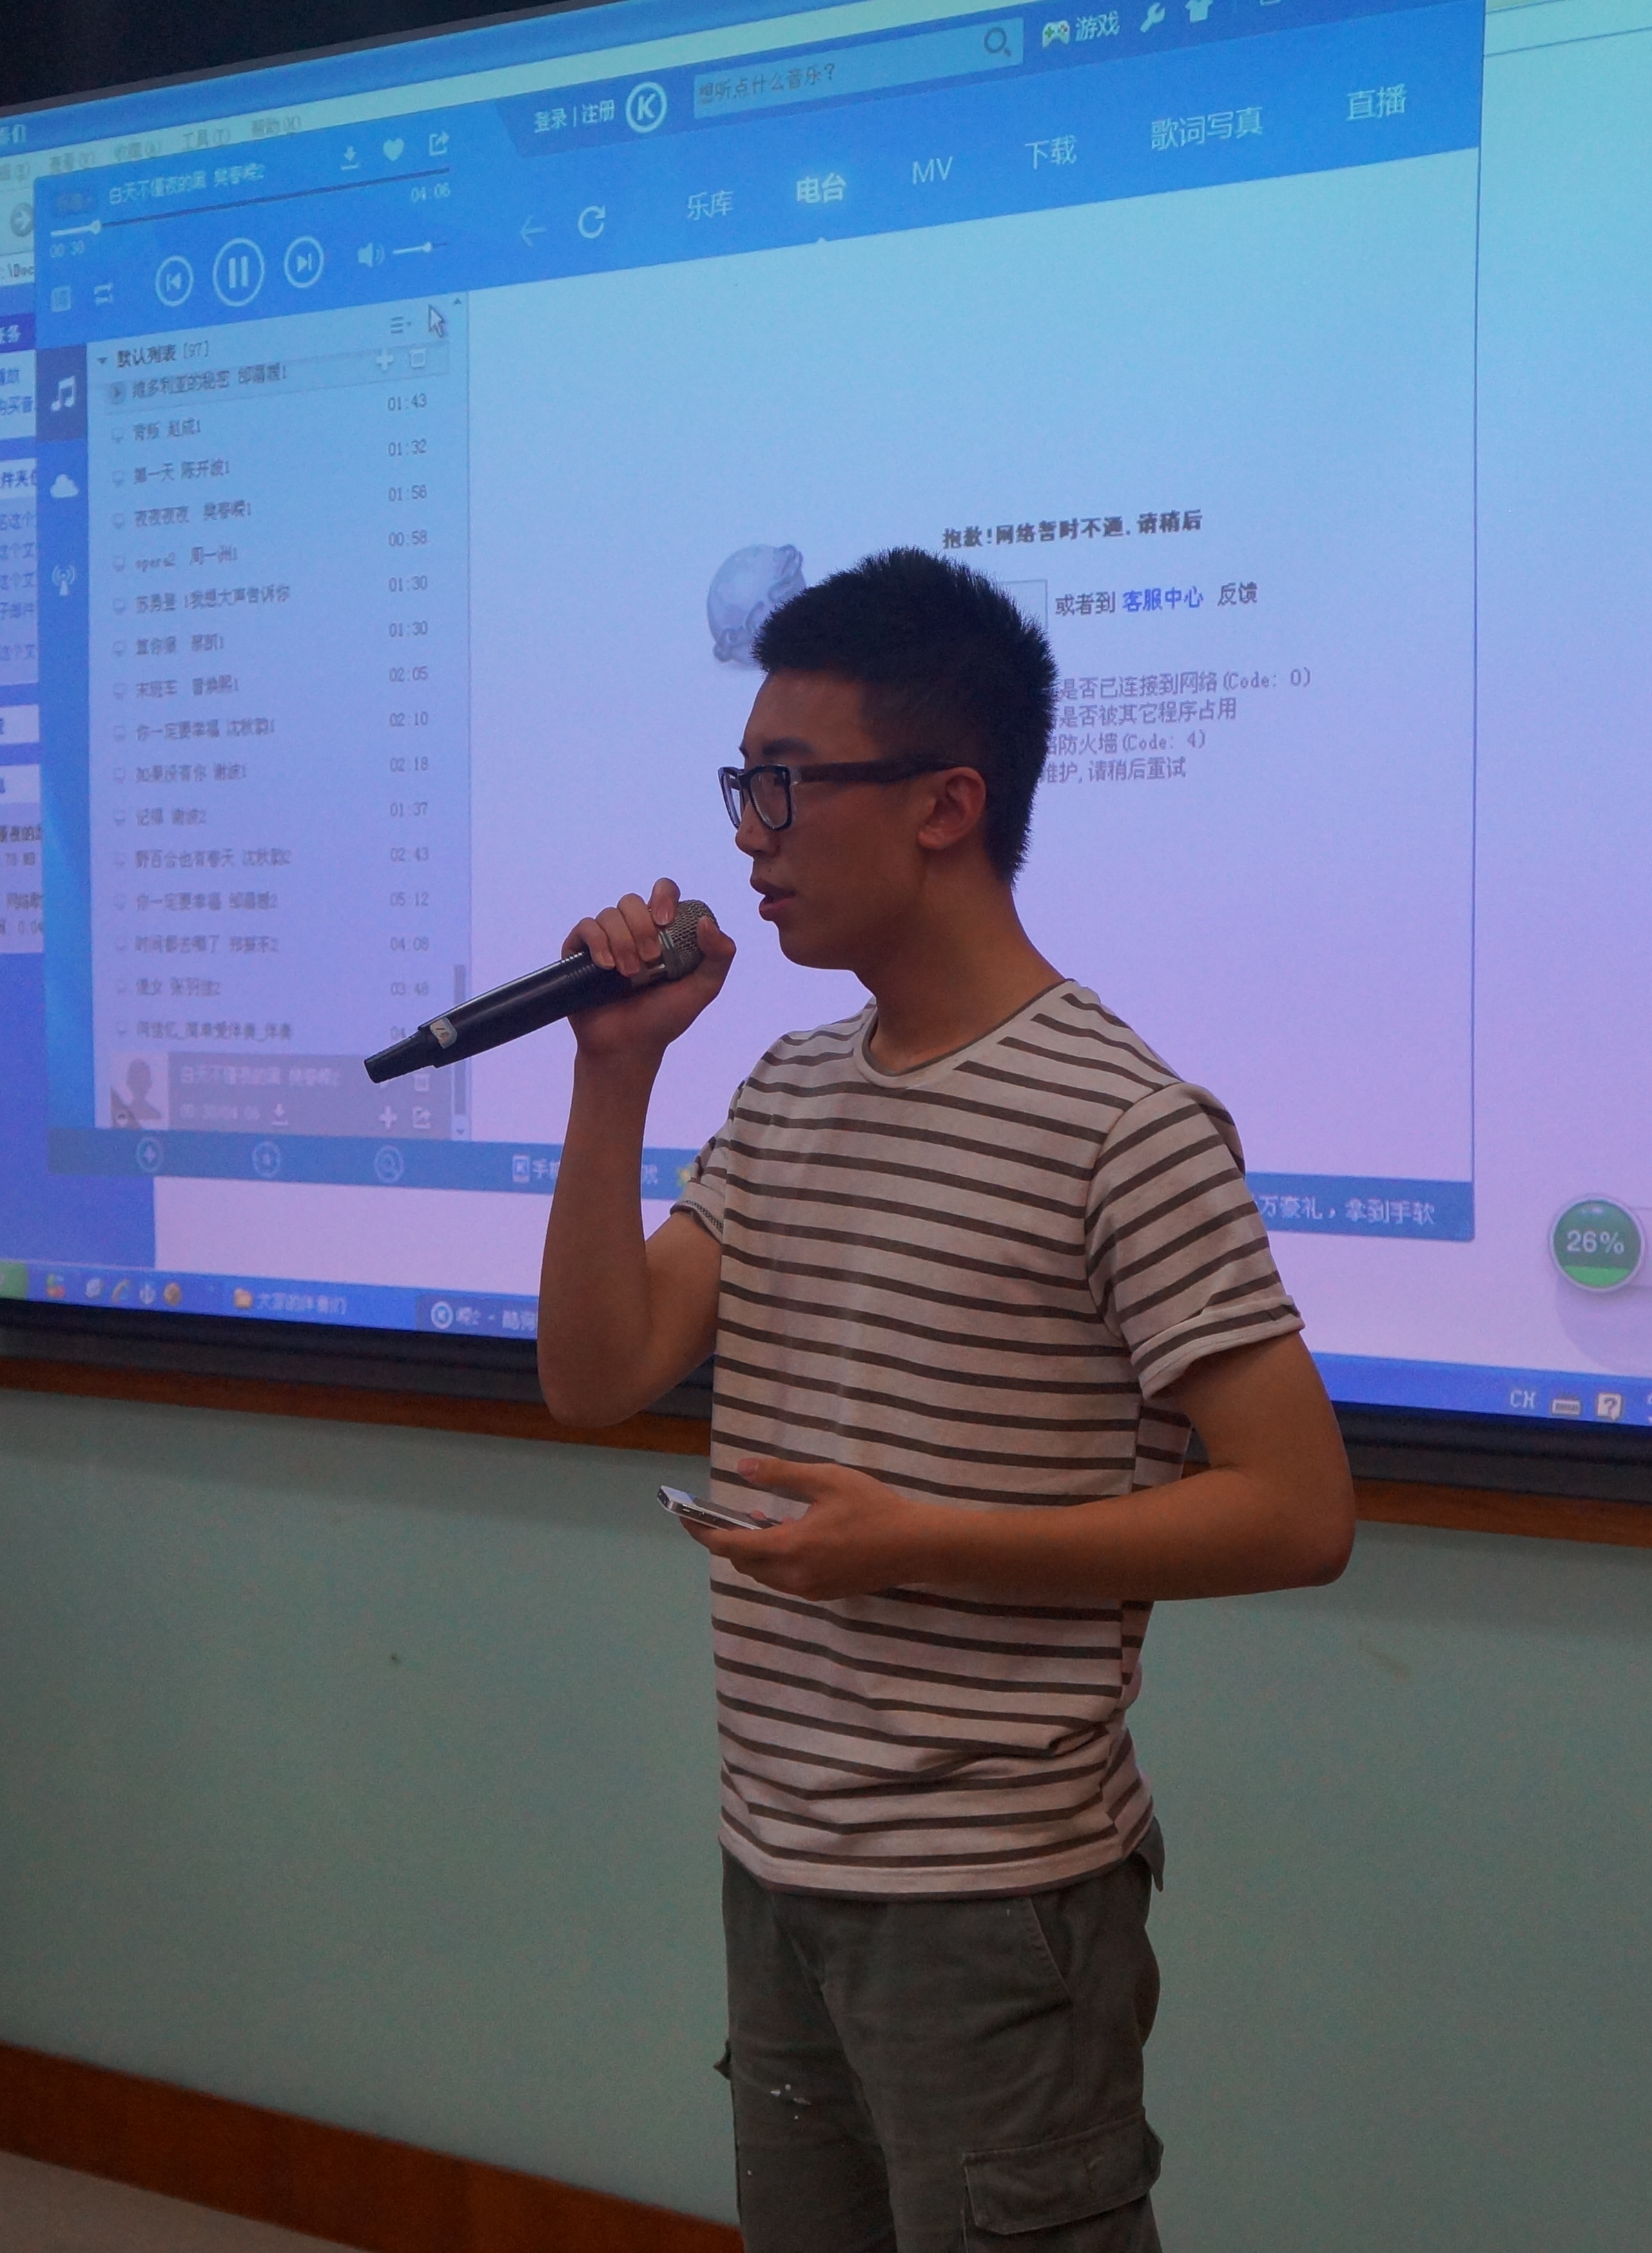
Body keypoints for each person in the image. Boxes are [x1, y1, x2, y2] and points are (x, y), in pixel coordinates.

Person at [536, 549, 1357, 2252]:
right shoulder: (787, 1089)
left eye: (785, 785)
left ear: (943, 804)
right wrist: (614, 1073)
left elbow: (1297, 1512)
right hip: (774, 1860)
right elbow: (594, 1377)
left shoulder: (1122, 1123)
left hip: (993, 1900)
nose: (749, 839)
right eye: (740, 787)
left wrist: (918, 1543)